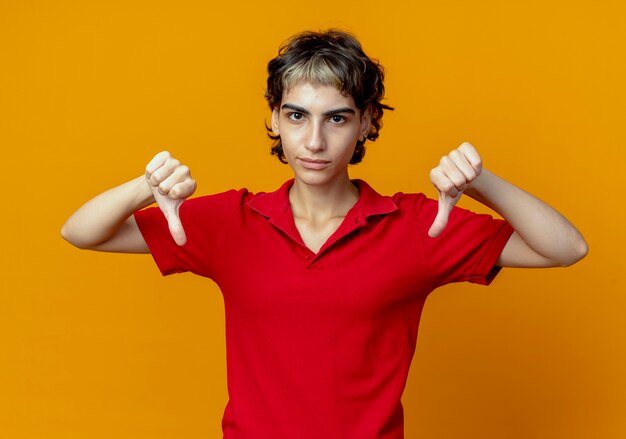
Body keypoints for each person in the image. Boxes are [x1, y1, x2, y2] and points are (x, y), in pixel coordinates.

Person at [61, 30, 588, 438]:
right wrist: (145, 187)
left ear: (366, 123)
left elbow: (567, 248)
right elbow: (80, 231)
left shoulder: (418, 225)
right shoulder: (232, 222)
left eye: (336, 118)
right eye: (297, 116)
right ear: (275, 119)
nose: (314, 141)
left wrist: (480, 182)